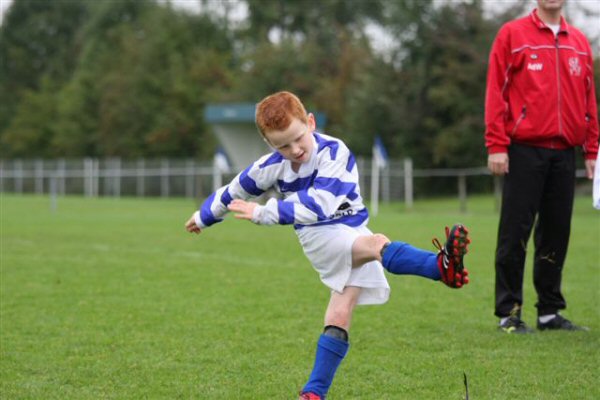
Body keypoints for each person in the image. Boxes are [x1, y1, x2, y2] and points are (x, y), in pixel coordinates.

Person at [185, 91, 471, 399]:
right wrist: (204, 217)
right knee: (377, 244)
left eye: (298, 139)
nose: (294, 150)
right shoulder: (269, 166)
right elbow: (234, 191)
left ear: (310, 123)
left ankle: (313, 393)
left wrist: (262, 211)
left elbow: (321, 201)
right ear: (270, 144)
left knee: (339, 314)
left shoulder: (334, 151)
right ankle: (439, 267)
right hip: (318, 236)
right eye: (282, 145)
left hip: (349, 227)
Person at [484, 0, 598, 333]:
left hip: (565, 153)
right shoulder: (512, 34)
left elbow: (589, 99)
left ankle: (549, 312)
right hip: (523, 151)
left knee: (556, 233)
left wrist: (592, 149)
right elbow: (496, 92)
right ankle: (509, 312)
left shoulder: (579, 41)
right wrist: (497, 144)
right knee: (514, 233)